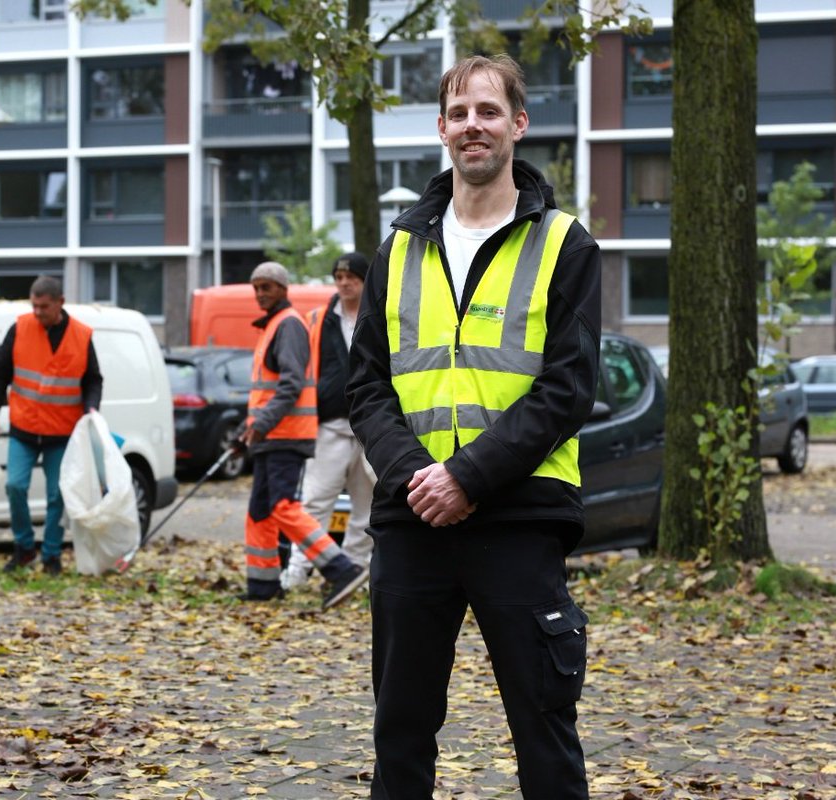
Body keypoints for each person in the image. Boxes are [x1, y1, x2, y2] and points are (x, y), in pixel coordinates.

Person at [346, 55, 601, 799]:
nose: (472, 126)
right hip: (411, 518)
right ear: (441, 129)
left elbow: (568, 387)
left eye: (488, 111)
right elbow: (365, 385)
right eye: (458, 114)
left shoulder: (564, 243)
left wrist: (469, 476)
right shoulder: (397, 249)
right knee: (399, 728)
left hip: (520, 517)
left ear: (519, 124)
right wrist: (415, 477)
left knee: (544, 725)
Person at [239, 261, 368, 610]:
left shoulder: (289, 326)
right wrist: (248, 427)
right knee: (260, 513)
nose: (260, 294)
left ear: (283, 289)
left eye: (267, 287)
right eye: (256, 287)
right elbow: (266, 391)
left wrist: (262, 422)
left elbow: (292, 384)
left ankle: (341, 568)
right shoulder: (273, 326)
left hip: (286, 435)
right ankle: (263, 584)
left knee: (282, 507)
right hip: (271, 434)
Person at [0, 275, 103, 576]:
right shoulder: (20, 328)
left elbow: (92, 379)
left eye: (44, 307)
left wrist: (91, 409)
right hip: (24, 428)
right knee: (14, 486)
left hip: (61, 432)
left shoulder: (81, 335)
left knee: (56, 495)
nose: (38, 312)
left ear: (60, 303)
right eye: (34, 305)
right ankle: (24, 548)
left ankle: (51, 555)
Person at [280, 252, 377, 589]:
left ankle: (353, 571)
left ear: (365, 281)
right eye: (338, 277)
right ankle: (299, 570)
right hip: (329, 426)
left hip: (368, 430)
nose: (343, 282)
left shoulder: (377, 316)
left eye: (351, 276)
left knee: (367, 507)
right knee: (314, 502)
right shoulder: (318, 319)